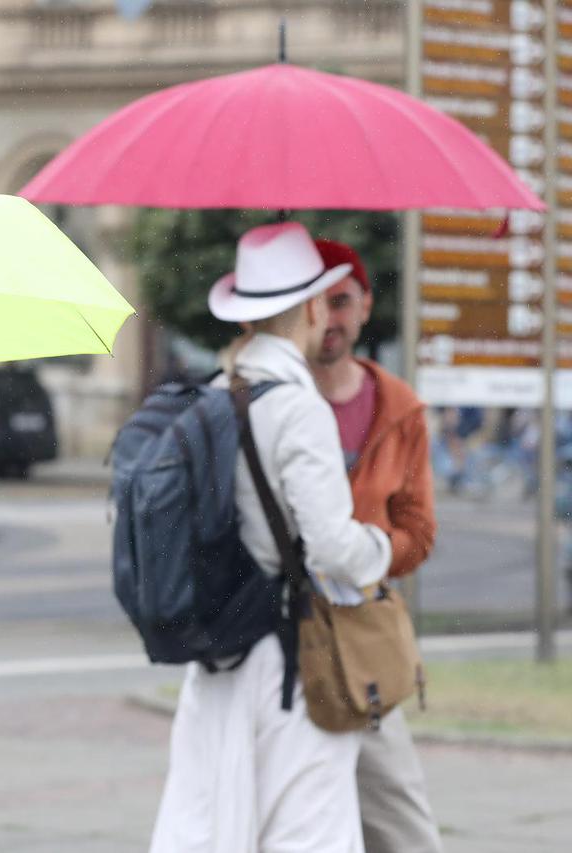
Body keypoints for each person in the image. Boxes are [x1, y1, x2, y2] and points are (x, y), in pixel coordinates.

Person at [150, 223, 392, 853]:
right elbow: (334, 549)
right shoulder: (297, 406)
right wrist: (380, 547)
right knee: (307, 831)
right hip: (289, 660)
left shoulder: (211, 396)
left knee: (209, 824)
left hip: (219, 651)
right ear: (313, 307)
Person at [311, 238, 442, 853]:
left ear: (365, 306)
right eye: (313, 303)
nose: (329, 318)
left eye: (341, 301)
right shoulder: (265, 399)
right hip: (277, 633)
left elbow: (418, 532)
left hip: (361, 636)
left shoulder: (399, 407)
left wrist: (359, 551)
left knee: (402, 823)